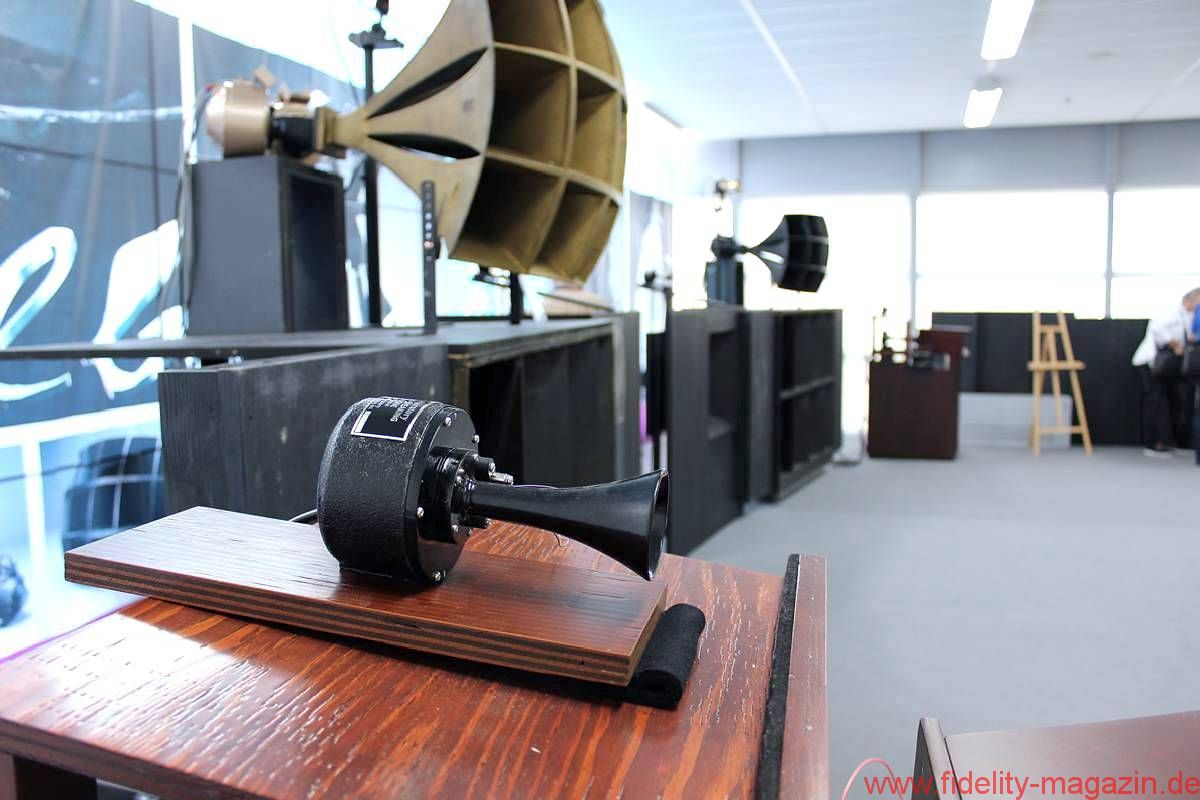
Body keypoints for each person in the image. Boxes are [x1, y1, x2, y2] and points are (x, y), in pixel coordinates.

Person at [1131, 287, 1200, 456]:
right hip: (1152, 363)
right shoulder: (1171, 312)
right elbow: (1156, 328)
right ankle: (1152, 443)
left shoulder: (1189, 317)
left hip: (1170, 367)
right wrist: (1174, 343)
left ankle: (1168, 440)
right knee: (1155, 401)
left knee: (1172, 402)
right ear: (1189, 299)